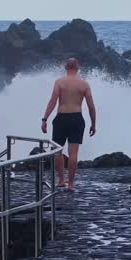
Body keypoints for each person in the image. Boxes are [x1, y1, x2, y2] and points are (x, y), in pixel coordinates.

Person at [40, 57, 96, 191]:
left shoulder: (59, 82)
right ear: (77, 68)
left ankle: (60, 180)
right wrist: (93, 124)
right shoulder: (84, 84)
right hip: (77, 119)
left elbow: (52, 101)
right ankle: (70, 184)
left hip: (61, 119)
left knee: (58, 151)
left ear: (66, 67)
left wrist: (44, 119)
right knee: (73, 153)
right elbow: (91, 107)